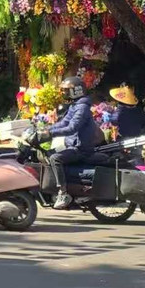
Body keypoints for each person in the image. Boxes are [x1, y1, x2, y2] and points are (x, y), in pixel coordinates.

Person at [36, 76, 97, 209]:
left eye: (67, 90)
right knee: (48, 154)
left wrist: (51, 134)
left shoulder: (82, 108)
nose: (64, 93)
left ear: (77, 90)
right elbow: (64, 122)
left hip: (80, 148)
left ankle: (63, 193)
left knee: (55, 158)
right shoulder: (75, 105)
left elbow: (72, 128)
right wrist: (46, 129)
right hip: (72, 145)